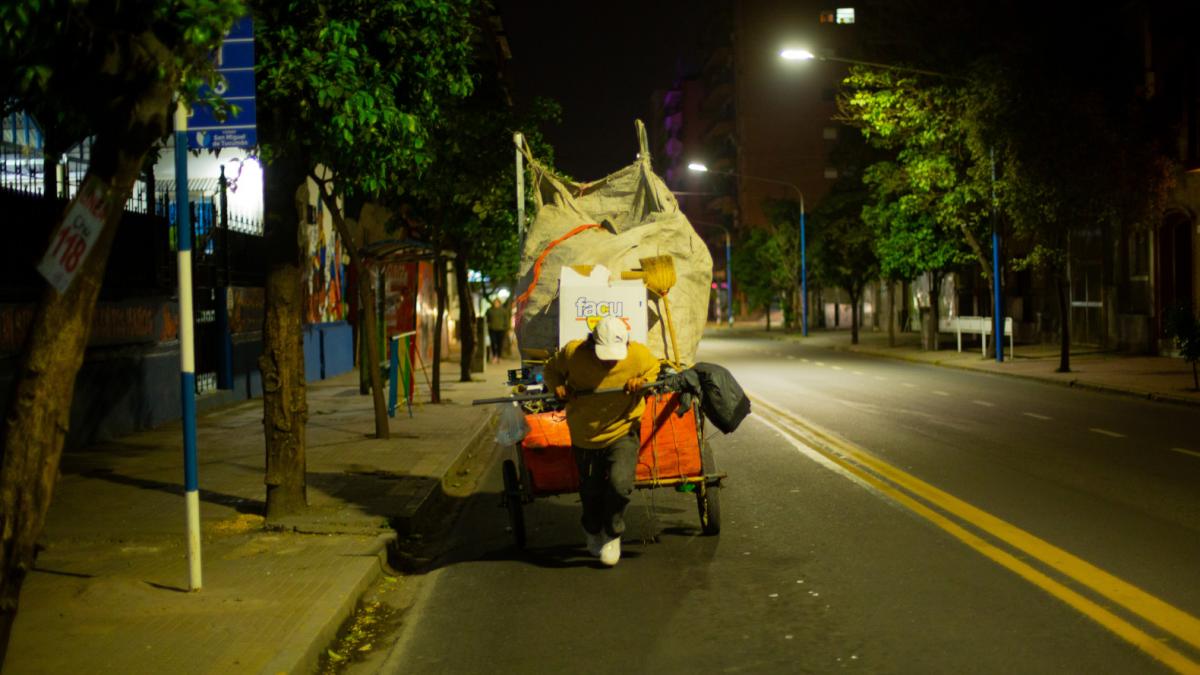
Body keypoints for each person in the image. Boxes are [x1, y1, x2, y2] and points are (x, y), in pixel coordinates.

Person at [542, 316, 660, 566]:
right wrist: (558, 387)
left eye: (615, 355)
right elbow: (550, 369)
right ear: (591, 345)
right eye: (603, 354)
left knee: (620, 484)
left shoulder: (637, 354)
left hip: (623, 428)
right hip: (586, 432)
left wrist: (642, 382)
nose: (609, 361)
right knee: (591, 490)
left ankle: (613, 532)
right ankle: (593, 528)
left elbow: (654, 369)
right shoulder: (574, 353)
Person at [485, 299, 510, 363]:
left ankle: (499, 356)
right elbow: (486, 319)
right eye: (495, 302)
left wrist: (506, 328)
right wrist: (489, 325)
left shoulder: (503, 311)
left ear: (499, 303)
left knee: (500, 344)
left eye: (497, 302)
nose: (496, 304)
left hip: (501, 330)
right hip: (492, 329)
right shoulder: (489, 310)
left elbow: (506, 320)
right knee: (493, 343)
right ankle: (494, 356)